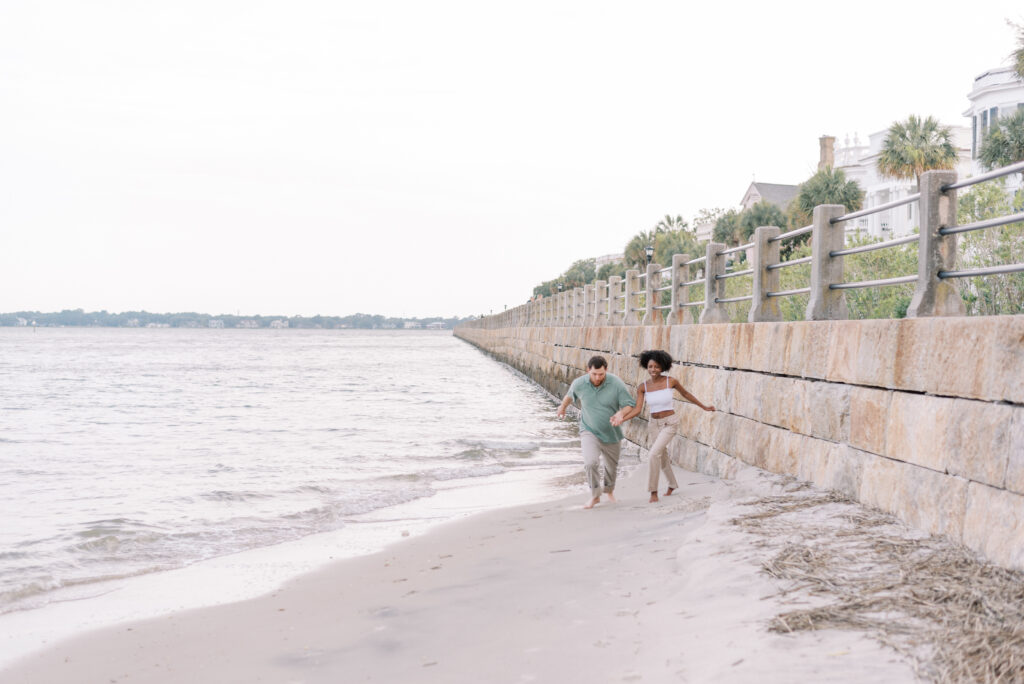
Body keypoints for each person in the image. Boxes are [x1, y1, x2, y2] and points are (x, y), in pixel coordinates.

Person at [611, 350, 715, 503]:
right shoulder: (643, 387)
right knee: (662, 456)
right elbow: (638, 409)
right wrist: (621, 419)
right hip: (653, 424)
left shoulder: (670, 381)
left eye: (657, 367)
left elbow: (686, 394)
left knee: (653, 454)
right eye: (650, 367)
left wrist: (704, 407)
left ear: (663, 367)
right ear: (646, 366)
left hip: (670, 423)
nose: (653, 370)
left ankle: (653, 492)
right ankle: (672, 484)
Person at [557, 355, 636, 509]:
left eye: (601, 374)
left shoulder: (616, 383)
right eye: (594, 374)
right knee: (590, 463)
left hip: (612, 432)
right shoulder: (579, 383)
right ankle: (595, 495)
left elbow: (629, 404)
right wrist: (562, 407)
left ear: (606, 370)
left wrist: (620, 414)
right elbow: (569, 396)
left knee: (611, 467)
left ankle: (609, 491)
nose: (598, 377)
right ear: (588, 370)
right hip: (589, 430)